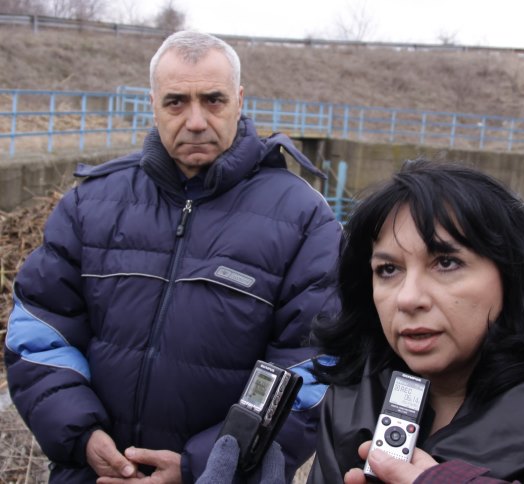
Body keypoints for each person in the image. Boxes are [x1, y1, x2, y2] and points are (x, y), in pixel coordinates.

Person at [4, 30, 341, 483]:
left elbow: (310, 369)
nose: (196, 120)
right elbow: (39, 330)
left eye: (214, 100)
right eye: (176, 102)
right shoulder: (90, 204)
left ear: (239, 100)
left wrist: (200, 465)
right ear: (153, 104)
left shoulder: (304, 218)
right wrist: (81, 434)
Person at [307, 160, 524, 483]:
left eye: (446, 263)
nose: (408, 299)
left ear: (511, 272)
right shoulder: (353, 393)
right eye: (388, 269)